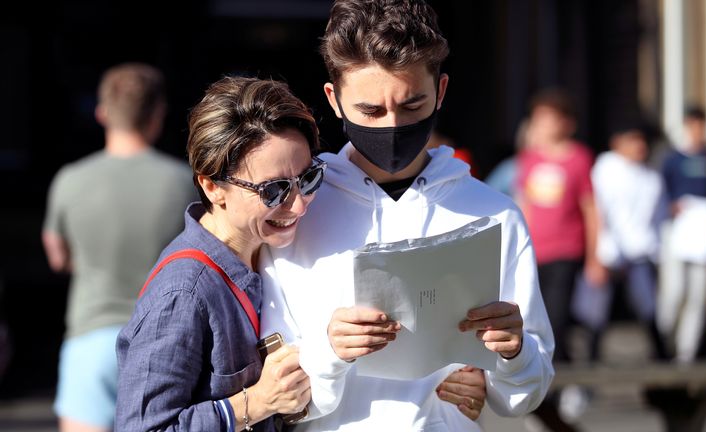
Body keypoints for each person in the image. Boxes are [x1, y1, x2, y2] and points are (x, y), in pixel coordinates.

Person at [259, 1, 554, 430]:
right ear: (334, 100)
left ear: (441, 92)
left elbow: (526, 392)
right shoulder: (297, 212)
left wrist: (512, 355)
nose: (391, 126)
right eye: (371, 111)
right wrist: (329, 351)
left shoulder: (495, 214)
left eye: (413, 106)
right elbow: (278, 397)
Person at [115, 77, 319, 430]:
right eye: (273, 191)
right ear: (212, 186)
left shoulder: (266, 252)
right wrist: (255, 402)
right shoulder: (183, 293)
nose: (299, 205)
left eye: (310, 178)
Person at [41, 63, 197, 432]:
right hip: (163, 339)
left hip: (90, 337)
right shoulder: (184, 183)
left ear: (102, 112)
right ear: (158, 114)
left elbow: (58, 257)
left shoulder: (69, 180)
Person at [515, 88, 604, 431]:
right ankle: (546, 391)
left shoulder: (578, 159)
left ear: (565, 122)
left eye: (549, 117)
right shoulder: (529, 159)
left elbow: (591, 209)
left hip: (567, 251)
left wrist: (596, 257)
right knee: (536, 321)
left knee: (559, 318)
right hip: (536, 253)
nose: (542, 124)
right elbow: (524, 205)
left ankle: (569, 384)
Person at [574, 123, 668, 362]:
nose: (639, 146)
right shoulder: (603, 172)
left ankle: (664, 367)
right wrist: (597, 255)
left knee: (649, 310)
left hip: (639, 255)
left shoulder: (650, 178)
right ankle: (588, 373)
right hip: (607, 253)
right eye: (633, 140)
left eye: (642, 141)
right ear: (618, 142)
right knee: (595, 316)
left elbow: (655, 218)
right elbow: (597, 214)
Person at [657, 105, 706, 363]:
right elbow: (660, 193)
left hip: (701, 235)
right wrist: (671, 206)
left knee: (698, 295)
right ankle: (664, 340)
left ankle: (686, 353)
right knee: (674, 291)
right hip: (676, 232)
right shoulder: (672, 160)